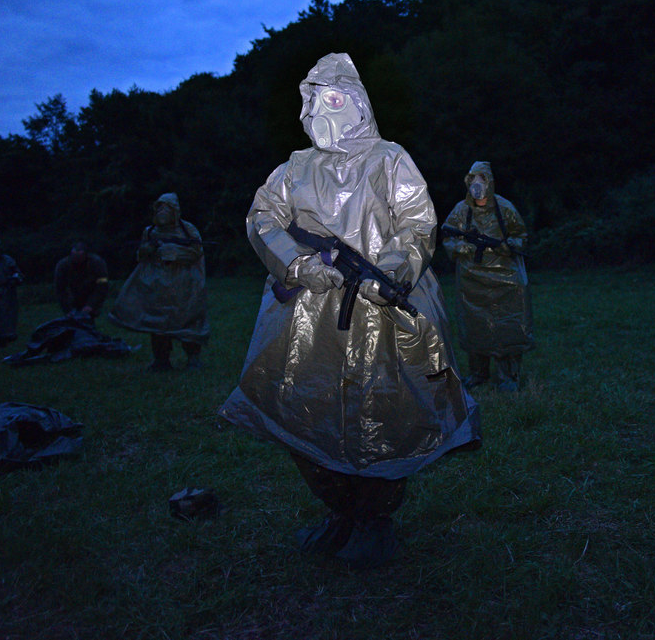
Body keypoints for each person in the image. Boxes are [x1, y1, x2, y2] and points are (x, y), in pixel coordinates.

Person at [219, 53, 480, 568]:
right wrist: (298, 265)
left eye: (334, 98)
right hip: (308, 317)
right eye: (315, 100)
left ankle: (374, 519)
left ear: (358, 103)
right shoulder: (295, 168)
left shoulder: (389, 159)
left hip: (383, 313)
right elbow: (263, 217)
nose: (323, 109)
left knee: (384, 411)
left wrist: (393, 271)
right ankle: (339, 512)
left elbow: (416, 222)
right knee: (307, 410)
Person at [441, 161, 535, 391]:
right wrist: (464, 248)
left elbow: (521, 236)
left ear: (490, 182)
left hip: (506, 278)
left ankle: (508, 376)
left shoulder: (504, 208)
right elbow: (448, 236)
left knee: (508, 325)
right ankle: (478, 373)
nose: (477, 185)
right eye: (472, 180)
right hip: (472, 280)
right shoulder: (462, 210)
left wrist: (506, 246)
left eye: (481, 180)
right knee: (476, 326)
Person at [109, 193, 210, 370]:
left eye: (167, 208)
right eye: (160, 208)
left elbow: (196, 251)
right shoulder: (150, 231)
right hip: (156, 285)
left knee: (188, 320)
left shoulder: (187, 229)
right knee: (157, 322)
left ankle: (193, 357)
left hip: (182, 284)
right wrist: (148, 249)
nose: (163, 212)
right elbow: (141, 255)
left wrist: (174, 252)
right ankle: (161, 359)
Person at [54, 241, 109, 319]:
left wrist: (91, 305)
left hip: (91, 292)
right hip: (73, 295)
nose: (77, 260)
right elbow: (60, 289)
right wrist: (67, 309)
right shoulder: (63, 266)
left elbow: (102, 286)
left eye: (79, 257)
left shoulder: (97, 263)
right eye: (74, 256)